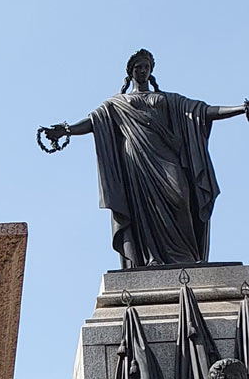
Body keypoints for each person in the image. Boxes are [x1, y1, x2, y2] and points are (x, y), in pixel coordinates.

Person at [41, 50, 248, 268]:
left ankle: (187, 257)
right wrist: (67, 130)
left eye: (147, 67)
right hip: (137, 159)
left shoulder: (169, 100)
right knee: (145, 209)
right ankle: (152, 258)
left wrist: (241, 109)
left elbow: (202, 112)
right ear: (130, 72)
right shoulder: (116, 104)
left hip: (166, 155)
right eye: (139, 67)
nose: (143, 70)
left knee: (180, 197)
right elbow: (94, 123)